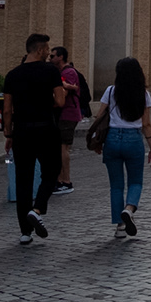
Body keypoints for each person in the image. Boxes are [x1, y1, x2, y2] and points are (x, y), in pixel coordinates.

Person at [2, 32, 66, 245]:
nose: (49, 53)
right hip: (46, 128)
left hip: (21, 131)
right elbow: (60, 100)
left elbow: (7, 109)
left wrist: (8, 133)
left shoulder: (12, 75)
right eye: (47, 49)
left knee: (23, 179)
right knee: (52, 170)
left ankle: (25, 232)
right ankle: (38, 207)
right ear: (39, 50)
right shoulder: (50, 71)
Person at [91, 56, 151, 238]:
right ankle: (129, 209)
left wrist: (98, 140)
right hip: (133, 139)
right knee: (135, 181)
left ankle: (119, 227)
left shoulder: (111, 91)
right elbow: (146, 124)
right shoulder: (143, 94)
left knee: (116, 185)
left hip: (111, 138)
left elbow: (99, 116)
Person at [51, 45, 84, 194]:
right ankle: (60, 179)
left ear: (61, 57)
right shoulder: (60, 72)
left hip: (68, 113)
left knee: (63, 147)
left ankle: (66, 180)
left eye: (53, 56)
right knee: (59, 147)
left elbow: (67, 90)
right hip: (64, 114)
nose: (50, 58)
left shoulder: (69, 72)